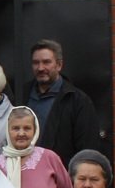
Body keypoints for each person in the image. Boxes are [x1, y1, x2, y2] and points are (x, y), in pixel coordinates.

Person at [0, 107, 74, 188]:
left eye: (27, 128)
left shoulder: (50, 158)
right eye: (15, 128)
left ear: (35, 130)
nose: (21, 133)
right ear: (8, 131)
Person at [25, 39, 101, 167]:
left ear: (59, 65)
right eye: (36, 63)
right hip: (23, 177)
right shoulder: (22, 95)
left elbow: (87, 150)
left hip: (59, 179)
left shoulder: (78, 101)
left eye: (46, 62)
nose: (40, 68)